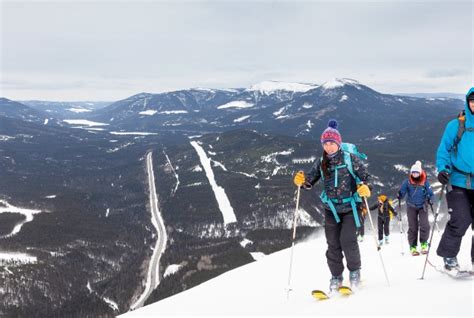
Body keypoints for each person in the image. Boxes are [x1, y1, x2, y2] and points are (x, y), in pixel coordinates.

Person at [293, 119, 371, 292]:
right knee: (333, 243)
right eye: (325, 143)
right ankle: (336, 277)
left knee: (347, 241)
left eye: (331, 143)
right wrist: (301, 181)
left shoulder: (350, 159)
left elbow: (366, 178)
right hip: (331, 209)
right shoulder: (322, 162)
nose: (328, 147)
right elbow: (310, 181)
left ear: (338, 143)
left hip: (351, 207)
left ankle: (355, 272)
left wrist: (366, 188)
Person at [436, 87, 474, 271]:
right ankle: (449, 256)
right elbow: (444, 150)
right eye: (472, 100)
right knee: (461, 219)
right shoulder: (456, 125)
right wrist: (442, 169)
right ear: (468, 102)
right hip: (458, 180)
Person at [398, 160, 434, 256]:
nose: (415, 174)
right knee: (413, 227)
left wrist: (431, 199)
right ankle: (413, 246)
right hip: (411, 206)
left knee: (425, 225)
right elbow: (402, 191)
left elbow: (431, 193)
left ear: (420, 172)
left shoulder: (425, 181)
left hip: (423, 206)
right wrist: (399, 195)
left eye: (416, 172)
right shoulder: (407, 182)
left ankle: (423, 243)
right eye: (413, 172)